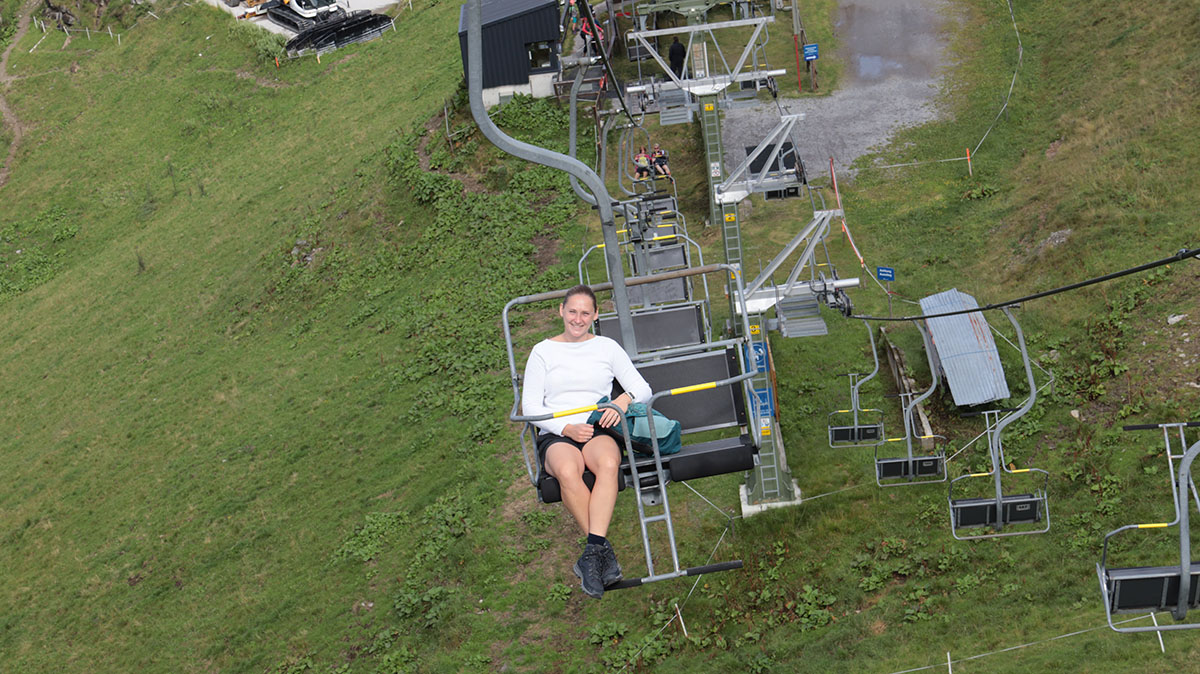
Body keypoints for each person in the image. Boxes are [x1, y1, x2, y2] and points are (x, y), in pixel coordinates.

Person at [522, 285, 652, 599]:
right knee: (567, 470)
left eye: (585, 313)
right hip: (558, 432)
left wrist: (621, 402)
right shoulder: (543, 352)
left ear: (594, 316)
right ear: (561, 312)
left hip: (597, 427)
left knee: (608, 463)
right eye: (572, 312)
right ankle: (601, 552)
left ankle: (592, 555)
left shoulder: (607, 348)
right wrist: (565, 428)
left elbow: (642, 388)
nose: (577, 319)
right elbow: (531, 408)